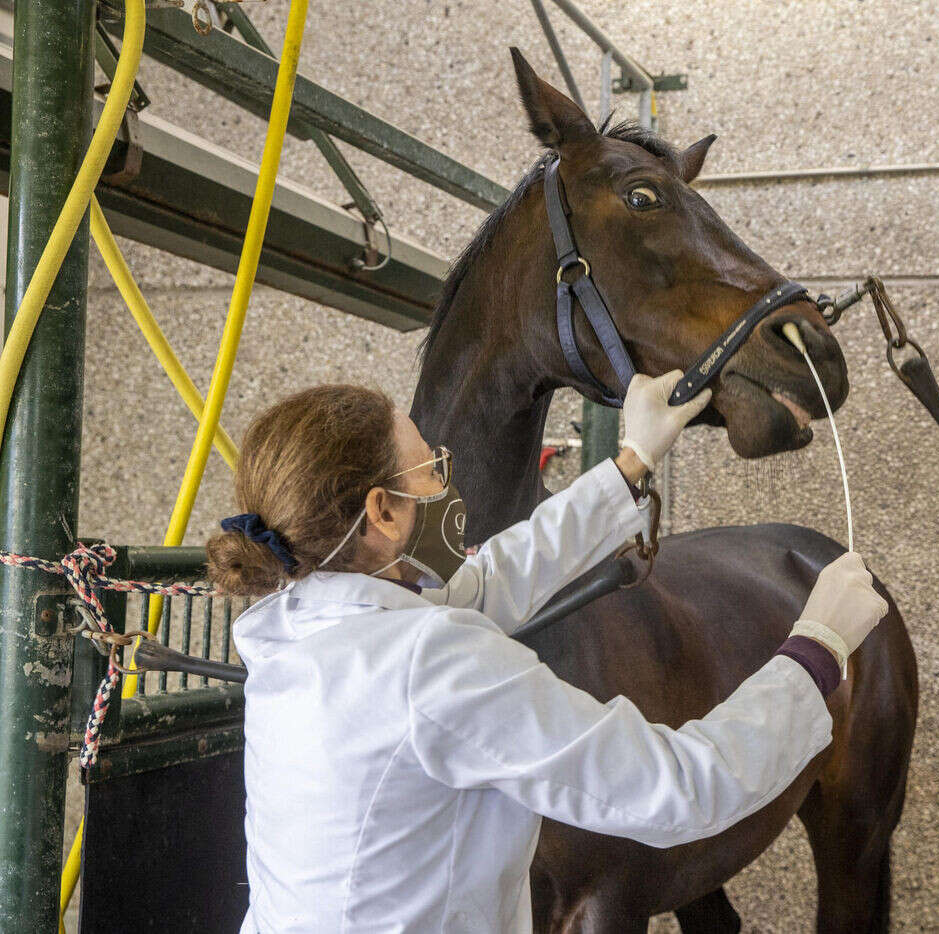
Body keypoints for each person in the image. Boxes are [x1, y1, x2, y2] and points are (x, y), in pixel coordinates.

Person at [208, 371, 889, 933]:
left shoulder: (300, 624)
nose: (448, 485)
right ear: (383, 513)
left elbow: (498, 576)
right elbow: (678, 788)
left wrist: (633, 462)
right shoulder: (426, 662)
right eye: (433, 469)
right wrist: (817, 649)